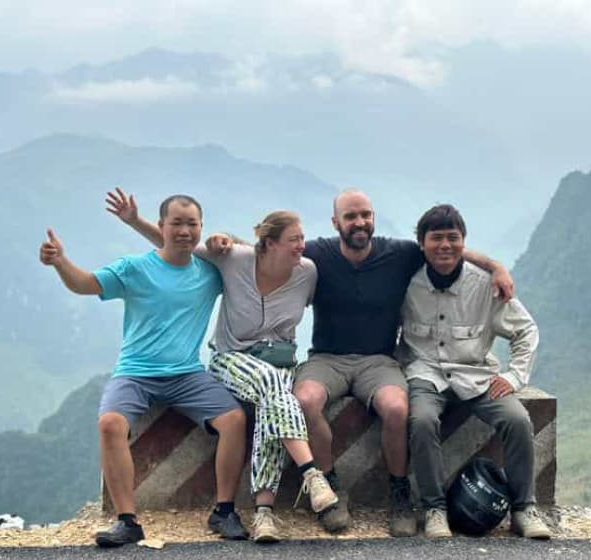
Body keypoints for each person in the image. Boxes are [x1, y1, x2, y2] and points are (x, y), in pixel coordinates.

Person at [207, 188, 513, 536]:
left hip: (378, 360)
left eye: (365, 215)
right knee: (304, 400)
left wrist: (495, 266)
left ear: (373, 219)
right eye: (351, 217)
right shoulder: (317, 254)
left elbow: (444, 249)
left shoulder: (398, 253)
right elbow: (267, 248)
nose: (360, 223)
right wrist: (224, 240)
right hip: (327, 357)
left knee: (397, 408)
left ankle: (398, 493)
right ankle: (330, 488)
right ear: (336, 222)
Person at [105, 190, 338, 543]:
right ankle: (311, 472)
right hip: (232, 360)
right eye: (294, 240)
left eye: (302, 239)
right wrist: (134, 220)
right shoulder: (235, 259)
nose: (301, 247)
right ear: (269, 244)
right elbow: (176, 244)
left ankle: (264, 513)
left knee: (276, 400)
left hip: (279, 368)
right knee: (274, 387)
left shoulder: (306, 273)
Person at [40, 194, 249, 547]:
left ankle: (224, 511)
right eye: (176, 223)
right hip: (135, 372)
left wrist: (227, 238)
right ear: (162, 225)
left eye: (192, 224)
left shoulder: (210, 272)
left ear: (201, 227)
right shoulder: (134, 268)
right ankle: (127, 521)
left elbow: (244, 258)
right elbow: (85, 284)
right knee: (109, 424)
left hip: (186, 373)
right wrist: (61, 262)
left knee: (234, 420)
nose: (184, 231)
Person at [395, 203, 551, 539]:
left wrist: (513, 376)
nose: (445, 246)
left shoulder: (485, 285)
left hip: (477, 375)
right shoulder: (406, 282)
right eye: (436, 238)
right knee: (421, 422)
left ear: (464, 242)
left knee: (518, 420)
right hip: (425, 374)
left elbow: (526, 330)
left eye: (453, 238)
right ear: (422, 243)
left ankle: (524, 509)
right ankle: (434, 509)